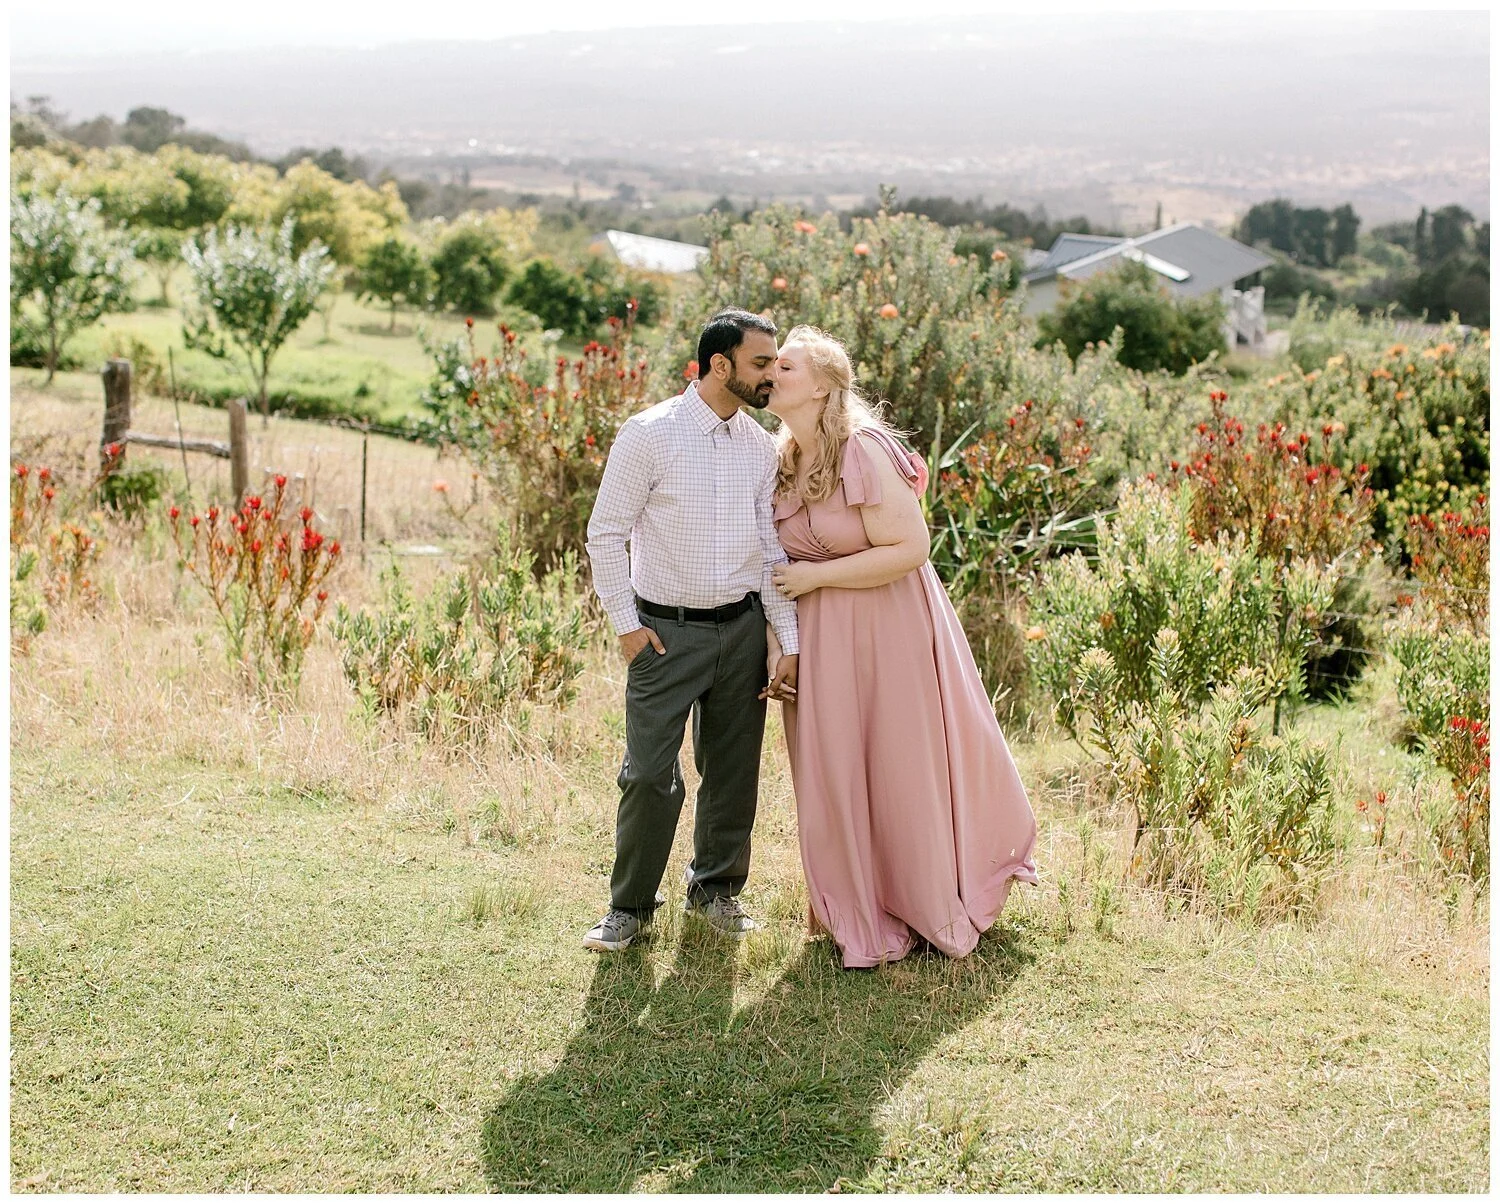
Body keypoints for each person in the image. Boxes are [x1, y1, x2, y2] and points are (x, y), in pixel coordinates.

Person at [764, 324, 1038, 969]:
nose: (773, 373)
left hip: (889, 628)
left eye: (787, 365)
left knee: (895, 763)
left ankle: (922, 900)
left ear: (826, 385)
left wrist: (816, 576)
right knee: (835, 770)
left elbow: (910, 549)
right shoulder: (779, 458)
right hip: (819, 637)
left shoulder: (861, 449)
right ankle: (856, 906)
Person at [581, 308, 801, 952]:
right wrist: (626, 626)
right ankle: (629, 907)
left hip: (741, 633)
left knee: (733, 771)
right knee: (650, 774)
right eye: (761, 363)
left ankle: (716, 890)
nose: (771, 377)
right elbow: (605, 534)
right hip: (663, 635)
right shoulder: (649, 434)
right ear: (720, 365)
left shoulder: (761, 449)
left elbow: (769, 553)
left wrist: (784, 639)